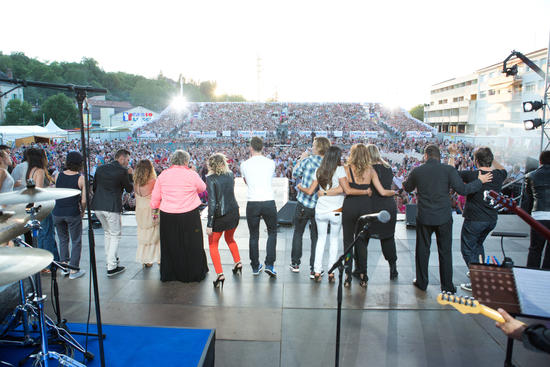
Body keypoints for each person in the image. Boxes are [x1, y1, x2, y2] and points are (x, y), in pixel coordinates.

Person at [403, 144, 492, 293]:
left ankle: (422, 282)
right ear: (439, 157)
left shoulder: (418, 170)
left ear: (426, 156)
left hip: (425, 217)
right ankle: (447, 286)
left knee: (422, 250)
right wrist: (480, 181)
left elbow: (407, 188)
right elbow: (463, 190)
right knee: (445, 251)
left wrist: (410, 179)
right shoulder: (448, 170)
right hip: (444, 217)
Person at [449, 146, 507, 291]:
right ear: (490, 159)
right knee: (478, 246)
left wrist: (452, 155)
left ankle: (479, 280)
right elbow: (502, 168)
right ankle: (481, 275)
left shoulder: (473, 175)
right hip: (491, 220)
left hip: (475, 219)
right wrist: (490, 158)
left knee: (467, 249)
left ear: (475, 161)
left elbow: (451, 173)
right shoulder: (499, 175)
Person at [340, 144, 395, 287]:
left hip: (350, 206)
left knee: (347, 242)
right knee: (362, 241)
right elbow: (382, 192)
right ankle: (363, 275)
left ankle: (347, 275)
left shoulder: (345, 169)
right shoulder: (370, 170)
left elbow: (346, 190)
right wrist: (393, 193)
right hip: (365, 208)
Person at [150, 150, 209, 283]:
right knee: (192, 244)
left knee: (170, 244)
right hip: (189, 214)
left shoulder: (163, 175)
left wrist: (154, 210)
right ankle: (193, 273)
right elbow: (202, 188)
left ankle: (171, 274)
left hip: (168, 215)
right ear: (186, 161)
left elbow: (156, 196)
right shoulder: (191, 174)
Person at [297, 146, 346, 282]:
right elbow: (344, 189)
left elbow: (310, 191)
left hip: (320, 210)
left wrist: (300, 186)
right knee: (334, 241)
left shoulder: (319, 170)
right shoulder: (340, 170)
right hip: (336, 210)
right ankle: (331, 272)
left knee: (321, 240)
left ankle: (317, 271)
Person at [290, 137, 331, 277]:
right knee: (316, 237)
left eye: (313, 145)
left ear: (318, 147)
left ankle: (295, 263)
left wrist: (301, 159)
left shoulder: (308, 161)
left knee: (298, 232)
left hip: (304, 203)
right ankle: (315, 268)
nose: (312, 147)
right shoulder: (329, 165)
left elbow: (294, 174)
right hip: (320, 206)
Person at [91, 149, 134, 277]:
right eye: (127, 160)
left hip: (98, 206)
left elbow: (94, 187)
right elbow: (129, 188)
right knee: (115, 235)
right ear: (121, 158)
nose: (128, 162)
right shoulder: (122, 171)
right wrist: (130, 175)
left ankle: (111, 260)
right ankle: (111, 266)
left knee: (108, 233)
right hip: (112, 206)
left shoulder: (100, 168)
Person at [240, 136, 278, 277]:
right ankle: (269, 264)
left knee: (254, 235)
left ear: (250, 147)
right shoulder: (271, 163)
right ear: (263, 148)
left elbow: (246, 182)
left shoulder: (244, 165)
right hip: (268, 201)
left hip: (253, 202)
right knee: (272, 232)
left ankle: (255, 266)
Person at [205, 153, 241, 288]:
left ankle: (220, 274)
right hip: (233, 213)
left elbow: (213, 203)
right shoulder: (230, 174)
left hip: (219, 217)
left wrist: (209, 224)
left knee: (213, 245)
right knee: (230, 239)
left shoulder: (210, 178)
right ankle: (238, 262)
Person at [364, 144, 399, 280]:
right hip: (387, 206)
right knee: (388, 237)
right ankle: (393, 269)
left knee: (363, 238)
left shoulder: (367, 169)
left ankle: (360, 269)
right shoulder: (387, 168)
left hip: (370, 205)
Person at [52, 152, 86, 279]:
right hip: (72, 212)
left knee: (63, 239)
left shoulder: (57, 176)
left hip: (57, 212)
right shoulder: (80, 178)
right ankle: (73, 270)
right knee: (76, 241)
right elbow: (83, 200)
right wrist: (82, 211)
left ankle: (64, 267)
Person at [27, 148, 59, 269]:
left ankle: (47, 263)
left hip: (36, 207)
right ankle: (50, 265)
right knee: (47, 235)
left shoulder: (32, 170)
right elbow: (39, 191)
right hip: (43, 207)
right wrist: (53, 188)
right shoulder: (39, 171)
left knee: (42, 235)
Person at [522, 150, 550, 269]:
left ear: (540, 161)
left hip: (538, 215)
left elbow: (528, 197)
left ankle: (532, 274)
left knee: (535, 249)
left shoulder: (531, 176)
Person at [133, 159, 160, 268]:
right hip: (151, 210)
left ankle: (145, 259)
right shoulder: (153, 181)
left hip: (139, 210)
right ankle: (158, 258)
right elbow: (157, 198)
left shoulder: (136, 182)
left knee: (143, 234)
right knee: (155, 234)